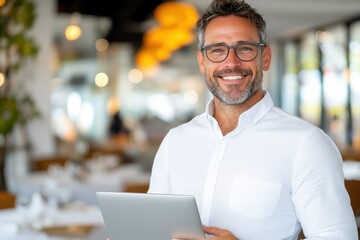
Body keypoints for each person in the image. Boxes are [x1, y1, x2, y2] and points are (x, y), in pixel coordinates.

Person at [147, 0, 358, 239]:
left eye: (245, 48)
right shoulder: (175, 141)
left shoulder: (306, 143)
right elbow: (155, 228)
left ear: (265, 57)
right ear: (202, 62)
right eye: (217, 50)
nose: (231, 62)